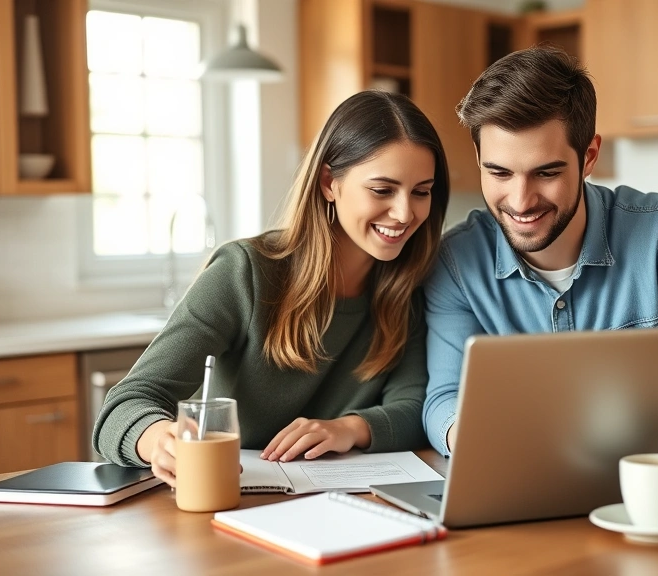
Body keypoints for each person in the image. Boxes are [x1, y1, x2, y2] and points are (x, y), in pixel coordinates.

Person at [422, 46, 658, 459]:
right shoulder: (456, 262)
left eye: (546, 173)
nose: (520, 200)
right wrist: (473, 439)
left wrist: (654, 449)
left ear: (588, 157)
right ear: (478, 159)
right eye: (499, 172)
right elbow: (444, 398)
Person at [94, 90, 450, 486]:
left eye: (421, 192)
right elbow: (124, 406)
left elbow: (414, 407)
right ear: (329, 183)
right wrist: (159, 438)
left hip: (343, 506)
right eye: (382, 190)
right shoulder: (244, 272)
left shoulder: (409, 286)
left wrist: (348, 428)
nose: (405, 213)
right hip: (229, 500)